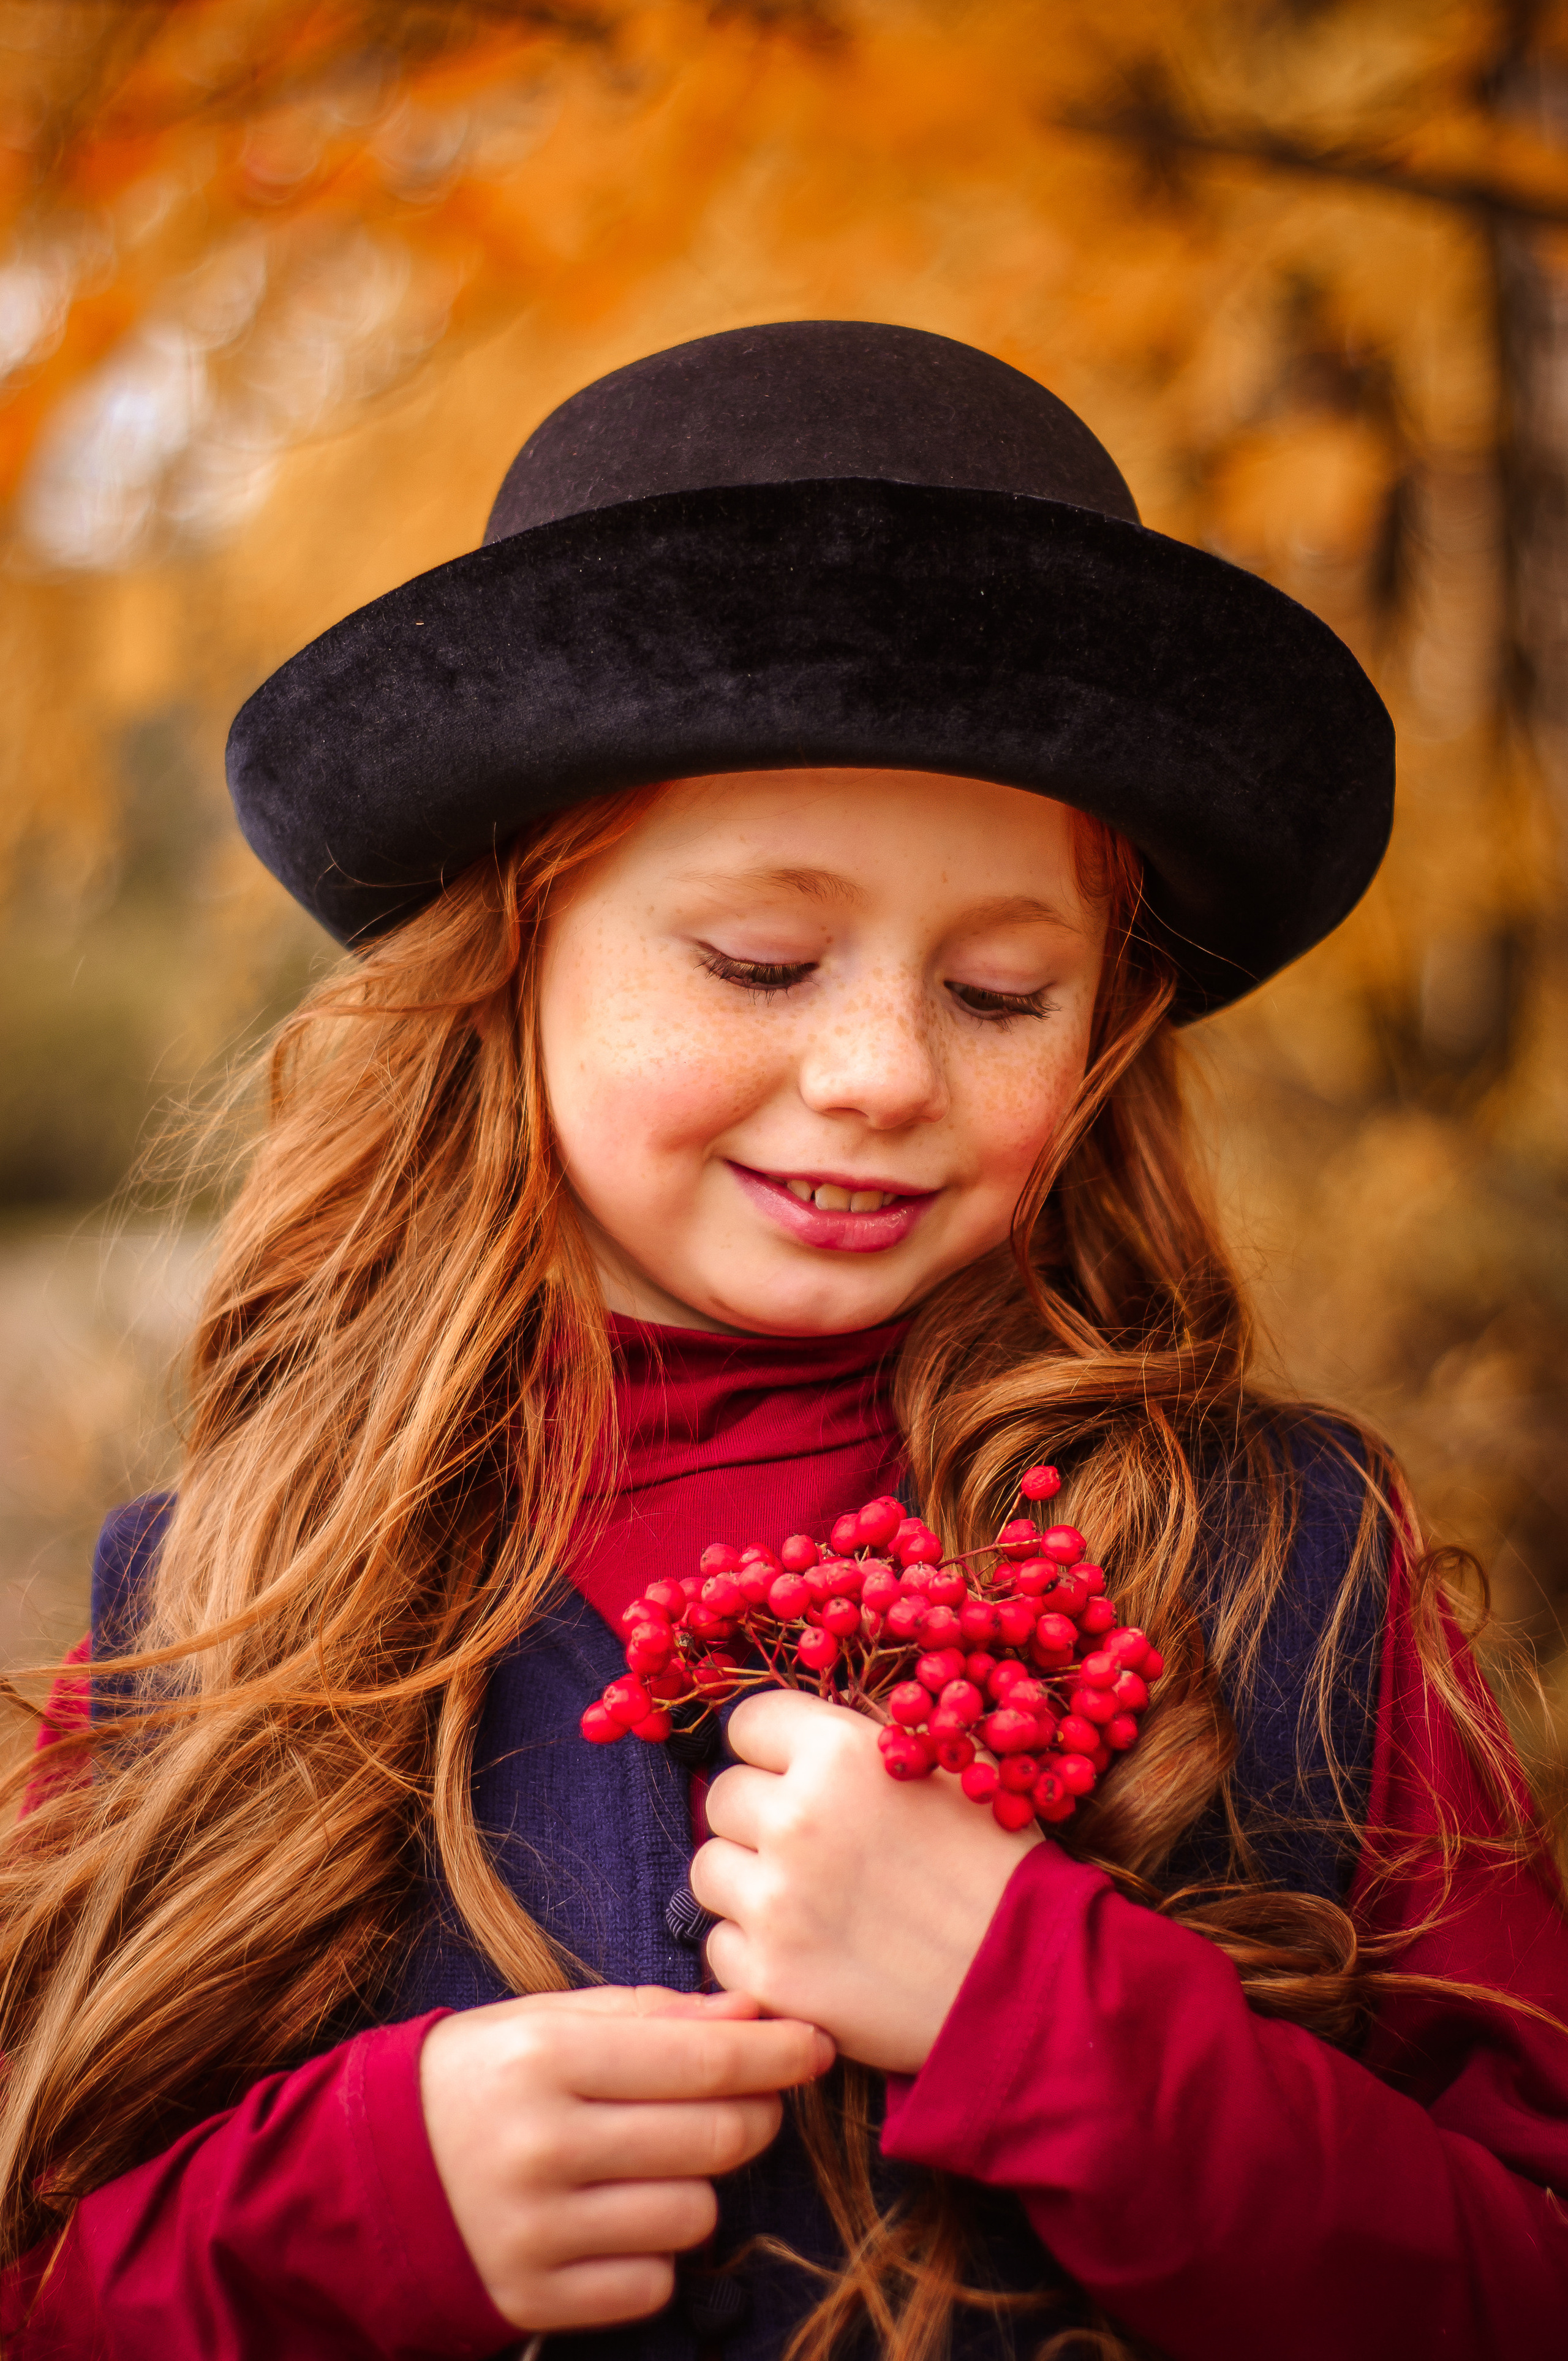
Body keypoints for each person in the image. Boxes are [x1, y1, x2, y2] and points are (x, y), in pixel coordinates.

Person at [3, 322, 1565, 2361]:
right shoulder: (217, 1605)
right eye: (760, 958)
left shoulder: (1284, 1570)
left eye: (1005, 993)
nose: (877, 1070)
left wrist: (1050, 2010)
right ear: (510, 958)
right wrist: (339, 2217)